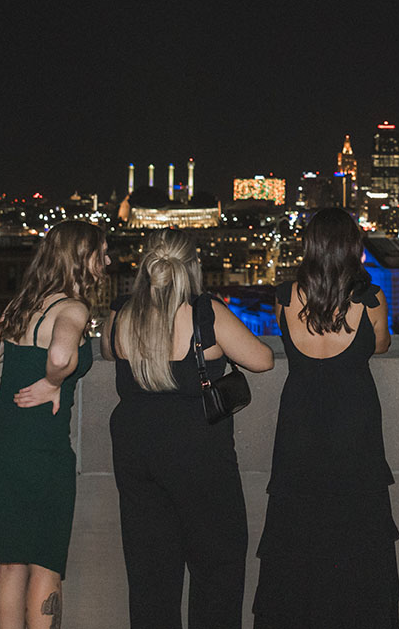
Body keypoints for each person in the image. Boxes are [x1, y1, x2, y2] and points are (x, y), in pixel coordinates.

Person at [104, 229, 274, 629]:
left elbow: (108, 349)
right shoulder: (204, 313)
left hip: (135, 451)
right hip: (198, 453)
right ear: (192, 267)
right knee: (217, 566)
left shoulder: (121, 312)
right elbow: (262, 359)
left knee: (150, 573)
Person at [252, 208, 399, 628]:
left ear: (311, 246)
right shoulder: (368, 298)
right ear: (353, 248)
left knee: (297, 533)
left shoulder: (285, 296)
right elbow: (382, 344)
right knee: (357, 534)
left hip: (299, 426)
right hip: (353, 427)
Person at [0, 220, 107, 629]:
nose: (108, 260)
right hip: (40, 448)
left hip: (0, 441)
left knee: (10, 564)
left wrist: (43, 372)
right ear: (82, 258)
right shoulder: (73, 307)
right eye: (102, 252)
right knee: (45, 562)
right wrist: (52, 381)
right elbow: (62, 355)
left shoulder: (23, 303)